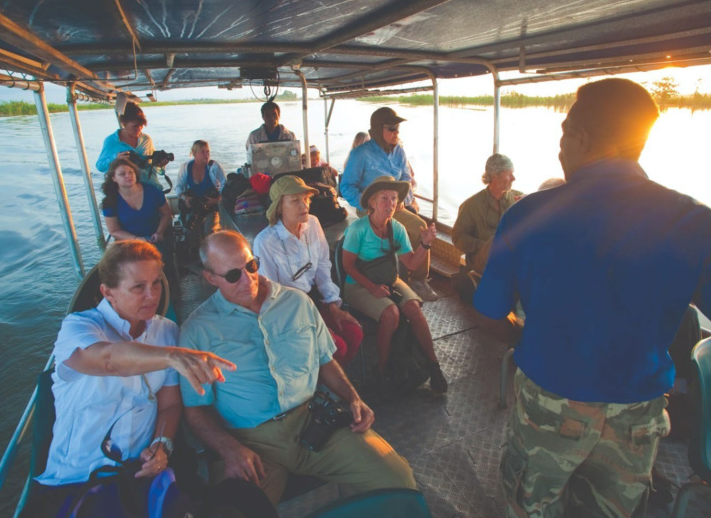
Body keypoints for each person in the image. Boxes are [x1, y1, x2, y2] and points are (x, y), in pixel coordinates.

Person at [473, 78, 711, 518]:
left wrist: (528, 341)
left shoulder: (528, 215)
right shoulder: (698, 223)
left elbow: (487, 313)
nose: (560, 149)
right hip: (637, 415)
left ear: (579, 137)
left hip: (549, 405)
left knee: (531, 508)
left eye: (564, 135)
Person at [20, 241, 276, 517]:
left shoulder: (165, 331)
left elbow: (168, 405)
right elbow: (108, 360)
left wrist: (161, 445)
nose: (151, 295)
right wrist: (172, 355)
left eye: (155, 284)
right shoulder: (79, 328)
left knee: (248, 502)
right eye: (138, 287)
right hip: (79, 479)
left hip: (141, 475)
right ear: (108, 292)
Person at [180, 231, 416, 505]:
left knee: (399, 482)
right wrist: (229, 449)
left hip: (312, 422)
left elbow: (325, 360)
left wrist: (353, 398)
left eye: (251, 266)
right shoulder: (197, 332)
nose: (247, 279)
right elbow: (195, 409)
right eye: (233, 275)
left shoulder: (297, 303)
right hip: (251, 442)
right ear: (210, 278)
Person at [341, 176, 447, 394]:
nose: (390, 203)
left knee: (413, 309)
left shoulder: (397, 228)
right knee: (391, 313)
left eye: (394, 199)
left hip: (389, 279)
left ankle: (433, 365)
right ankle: (382, 370)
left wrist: (425, 245)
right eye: (384, 198)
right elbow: (347, 266)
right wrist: (371, 287)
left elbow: (410, 263)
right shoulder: (358, 229)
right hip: (358, 284)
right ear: (372, 202)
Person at [253, 176, 363, 366]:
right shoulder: (265, 242)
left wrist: (332, 305)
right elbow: (271, 296)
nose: (303, 205)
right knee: (336, 347)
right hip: (288, 311)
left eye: (305, 198)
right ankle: (316, 386)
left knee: (354, 332)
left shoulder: (312, 223)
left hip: (314, 299)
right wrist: (313, 323)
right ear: (280, 207)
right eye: (295, 200)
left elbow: (322, 267)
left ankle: (329, 381)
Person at [340, 108, 437, 301]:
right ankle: (404, 276)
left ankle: (418, 280)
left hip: (395, 205)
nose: (396, 133)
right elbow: (346, 186)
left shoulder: (399, 151)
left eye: (397, 129)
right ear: (377, 130)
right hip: (372, 207)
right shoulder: (361, 154)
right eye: (391, 128)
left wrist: (403, 200)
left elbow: (407, 177)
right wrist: (367, 203)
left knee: (420, 227)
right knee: (412, 228)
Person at [451, 154, 524, 275]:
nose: (513, 178)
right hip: (481, 260)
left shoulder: (519, 199)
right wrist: (484, 246)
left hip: (510, 257)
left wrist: (529, 206)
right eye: (509, 174)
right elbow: (458, 237)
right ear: (495, 176)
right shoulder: (472, 205)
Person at [101, 157, 174, 262]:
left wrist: (159, 232)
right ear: (113, 178)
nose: (128, 176)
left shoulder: (152, 191)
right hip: (128, 242)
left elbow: (166, 213)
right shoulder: (110, 201)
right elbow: (114, 230)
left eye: (131, 172)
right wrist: (137, 240)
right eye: (122, 174)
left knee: (158, 258)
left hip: (155, 238)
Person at [96, 102, 169, 189]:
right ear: (123, 123)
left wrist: (160, 165)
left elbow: (156, 170)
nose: (139, 129)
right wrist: (116, 159)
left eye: (141, 125)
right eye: (135, 126)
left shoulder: (146, 140)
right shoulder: (111, 141)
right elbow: (100, 166)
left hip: (151, 187)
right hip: (127, 192)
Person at [176, 140, 227, 237]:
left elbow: (225, 187)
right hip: (195, 206)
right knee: (189, 232)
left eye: (208, 151)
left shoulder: (214, 167)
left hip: (211, 207)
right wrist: (185, 198)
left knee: (210, 232)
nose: (206, 155)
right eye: (202, 152)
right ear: (194, 153)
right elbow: (178, 187)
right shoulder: (186, 167)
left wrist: (216, 200)